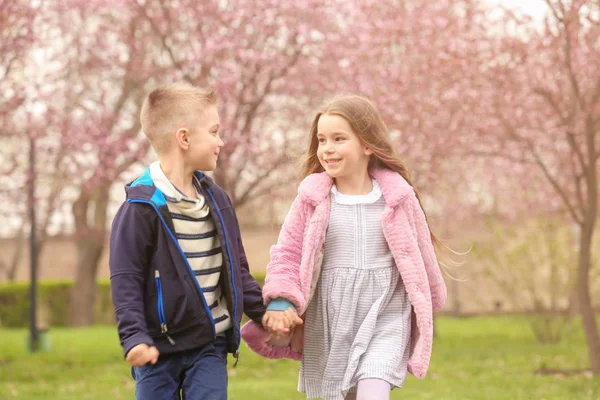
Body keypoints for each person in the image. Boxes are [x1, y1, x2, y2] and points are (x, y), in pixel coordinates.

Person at [241, 94, 447, 400]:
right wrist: (282, 298)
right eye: (322, 140)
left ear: (367, 144)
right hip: (332, 317)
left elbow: (420, 253)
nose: (327, 149)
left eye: (339, 139)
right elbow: (288, 253)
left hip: (386, 313)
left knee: (372, 390)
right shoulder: (312, 200)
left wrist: (429, 297)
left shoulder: (397, 198)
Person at [109, 83, 267, 399]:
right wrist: (134, 338)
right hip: (156, 349)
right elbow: (125, 280)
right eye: (214, 132)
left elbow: (238, 273)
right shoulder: (140, 208)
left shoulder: (217, 201)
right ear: (184, 138)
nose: (221, 141)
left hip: (210, 344)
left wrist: (268, 313)